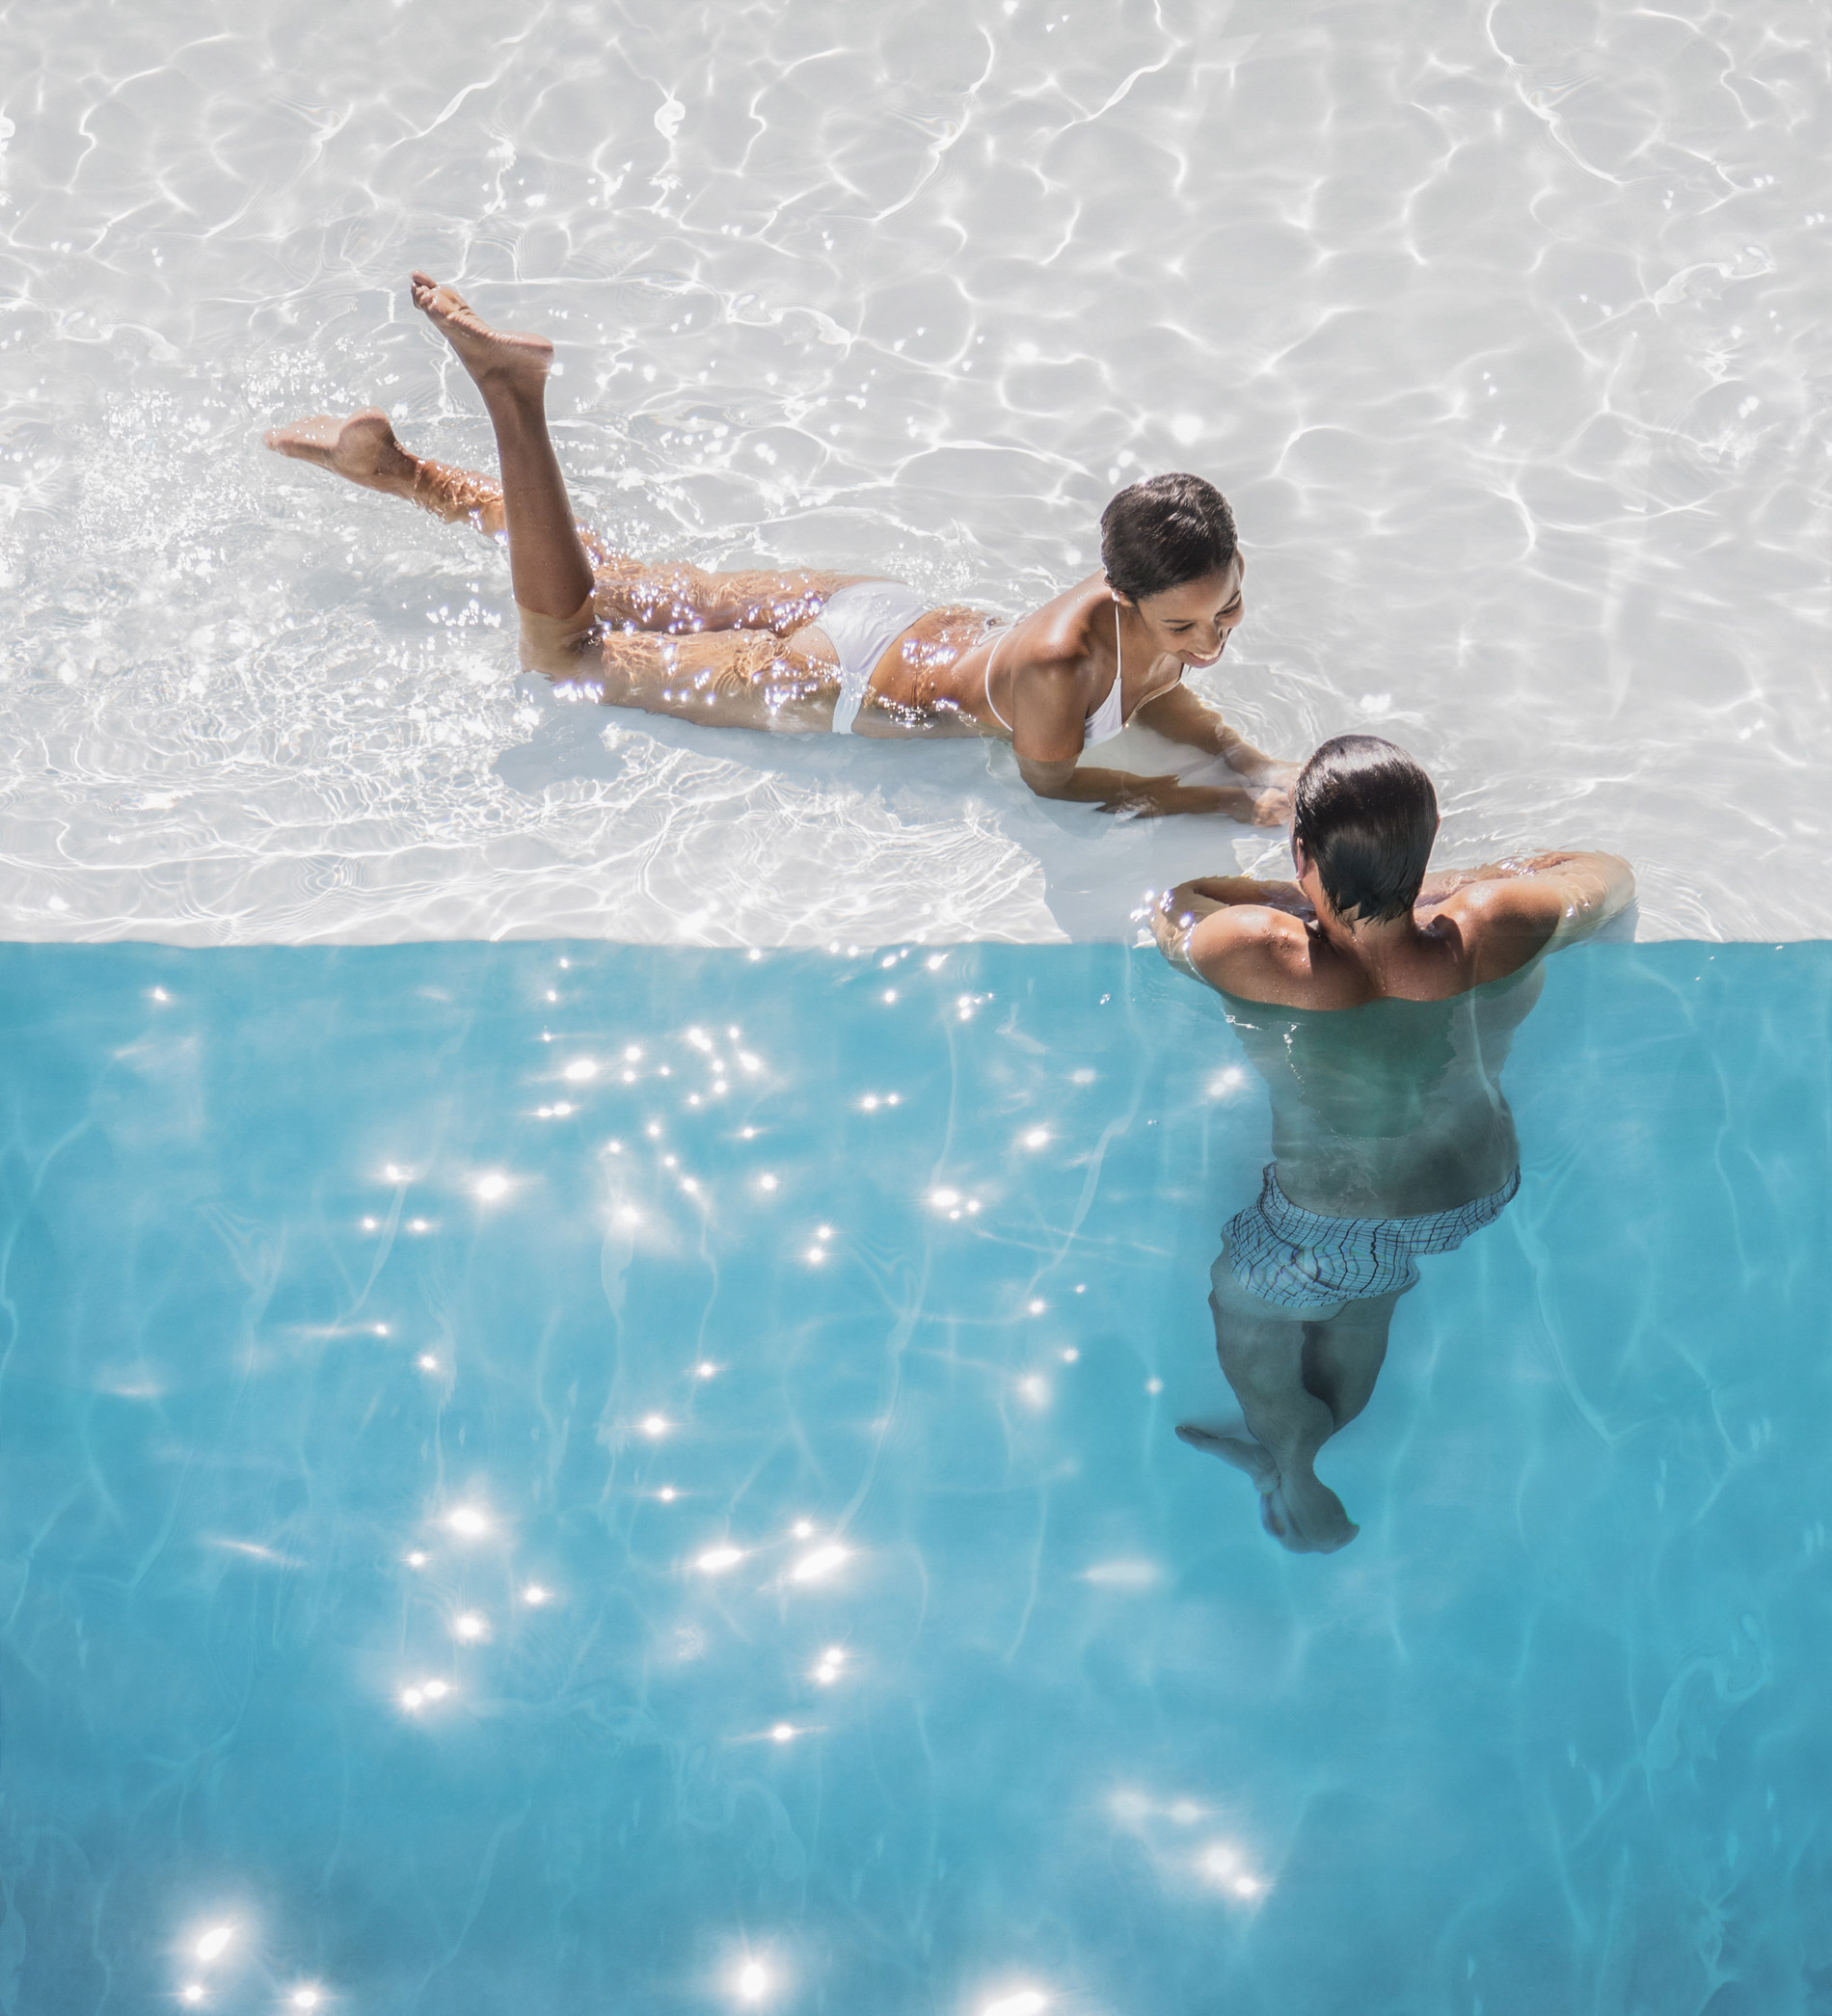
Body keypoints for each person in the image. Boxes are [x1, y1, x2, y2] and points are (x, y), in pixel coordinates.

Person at [265, 272, 1296, 821]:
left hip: (880, 608)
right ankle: (511, 397)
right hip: (837, 678)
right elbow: (1058, 784)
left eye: (1227, 608)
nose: (1211, 640)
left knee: (610, 580)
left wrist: (1247, 757)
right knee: (566, 653)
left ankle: (405, 475)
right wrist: (1214, 804)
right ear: (1121, 596)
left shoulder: (1149, 570)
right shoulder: (1056, 666)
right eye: (1187, 623)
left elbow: (1161, 680)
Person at [1150, 734, 1634, 1551]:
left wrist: (1301, 894)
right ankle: (1333, 1391)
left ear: (1305, 854)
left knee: (1243, 1298)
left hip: (1323, 1227)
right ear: (1426, 847)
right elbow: (1608, 874)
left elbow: (1176, 904)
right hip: (1471, 1196)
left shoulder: (1262, 953)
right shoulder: (1495, 926)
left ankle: (1292, 1459)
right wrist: (1454, 885)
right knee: (1375, 1285)